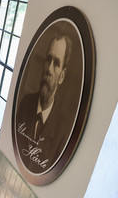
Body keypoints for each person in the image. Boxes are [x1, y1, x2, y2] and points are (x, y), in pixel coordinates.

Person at [14, 31, 74, 173]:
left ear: (62, 76)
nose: (49, 69)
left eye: (56, 64)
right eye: (48, 60)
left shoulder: (63, 131)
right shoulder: (24, 104)